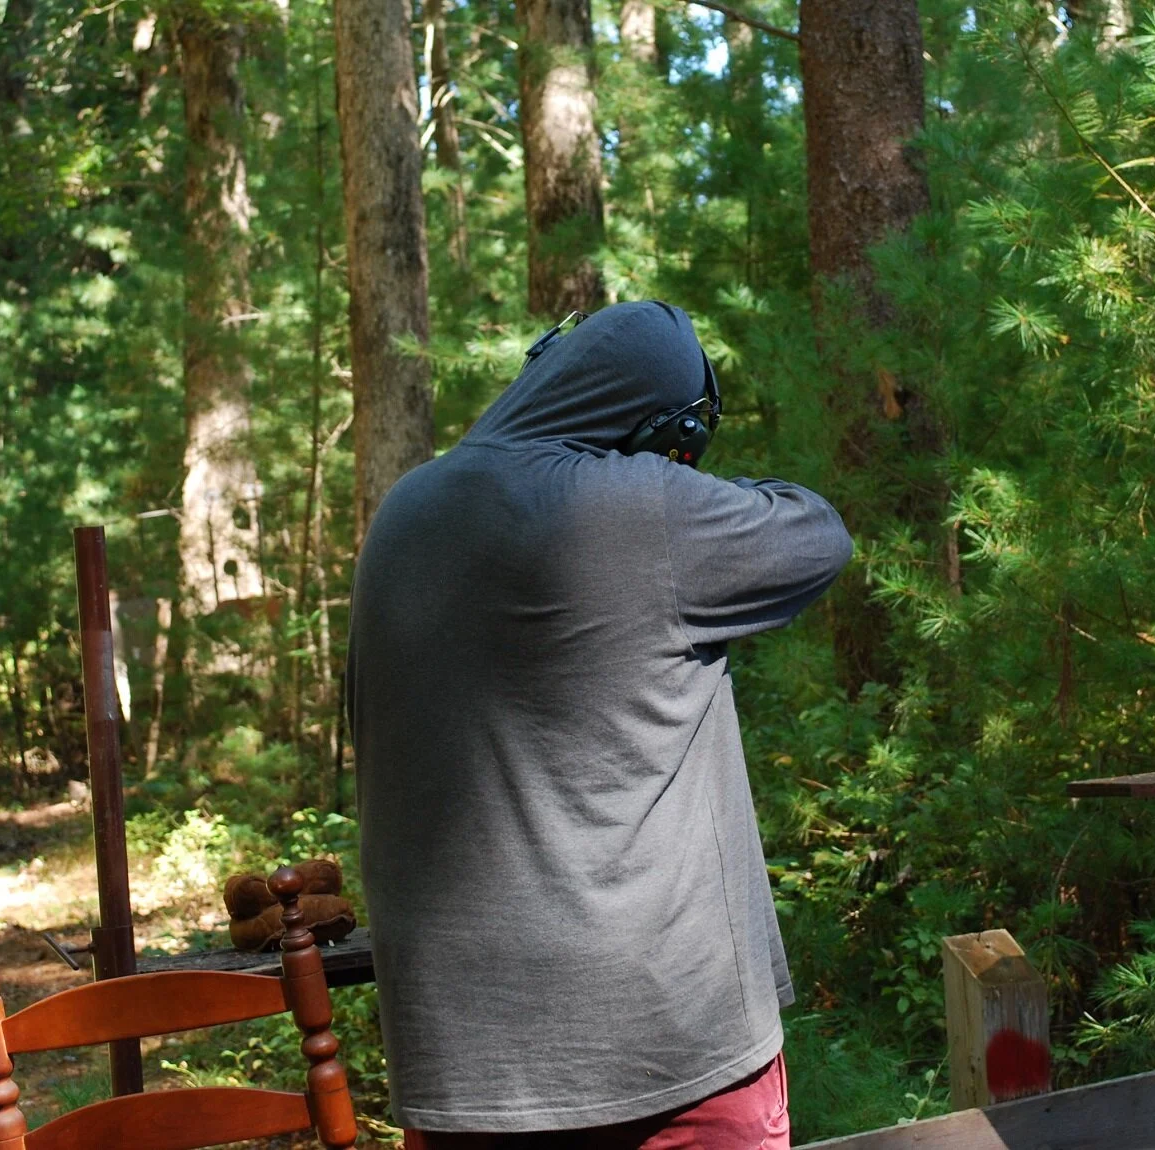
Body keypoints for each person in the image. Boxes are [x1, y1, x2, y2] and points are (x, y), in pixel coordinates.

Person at [347, 301, 852, 1147]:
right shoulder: (638, 507)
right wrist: (668, 475)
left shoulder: (403, 512)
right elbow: (818, 533)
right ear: (666, 432)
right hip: (665, 1046)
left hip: (459, 1067)